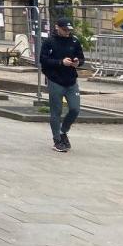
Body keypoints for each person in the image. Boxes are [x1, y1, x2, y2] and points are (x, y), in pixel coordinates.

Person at [40, 17, 85, 153]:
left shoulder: (74, 41)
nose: (67, 32)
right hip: (55, 80)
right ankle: (57, 139)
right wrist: (60, 62)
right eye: (64, 30)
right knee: (56, 111)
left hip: (71, 80)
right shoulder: (49, 42)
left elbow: (81, 57)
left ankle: (63, 131)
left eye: (69, 30)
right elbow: (43, 60)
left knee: (75, 109)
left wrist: (78, 62)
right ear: (57, 27)